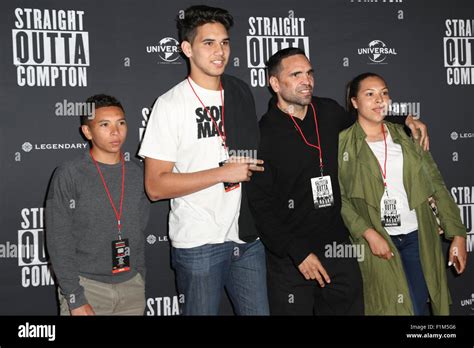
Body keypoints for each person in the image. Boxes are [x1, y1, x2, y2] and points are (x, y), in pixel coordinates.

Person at [246, 47, 428, 315]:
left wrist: (405, 120)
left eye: (309, 73)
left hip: (337, 247)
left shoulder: (327, 110)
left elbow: (364, 123)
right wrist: (298, 253)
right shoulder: (263, 135)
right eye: (296, 74)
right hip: (291, 257)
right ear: (274, 83)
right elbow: (261, 206)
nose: (306, 80)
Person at [138, 5, 269, 315]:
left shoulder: (239, 91)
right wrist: (223, 173)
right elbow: (155, 186)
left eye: (224, 42)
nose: (219, 51)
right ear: (187, 49)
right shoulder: (170, 105)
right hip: (199, 244)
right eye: (208, 43)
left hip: (248, 239)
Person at [338, 72, 467, 315]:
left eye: (384, 93)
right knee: (389, 307)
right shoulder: (343, 144)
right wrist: (367, 233)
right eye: (370, 94)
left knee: (417, 307)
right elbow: (341, 198)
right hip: (377, 241)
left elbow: (435, 184)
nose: (380, 100)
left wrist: (457, 233)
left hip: (417, 237)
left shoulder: (407, 136)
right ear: (354, 102)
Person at [46, 94, 150, 315]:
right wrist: (74, 296)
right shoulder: (70, 174)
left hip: (131, 287)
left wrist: (139, 276)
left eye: (120, 123)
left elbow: (139, 230)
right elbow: (58, 239)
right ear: (87, 131)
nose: (115, 132)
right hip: (87, 288)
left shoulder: (137, 173)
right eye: (105, 125)